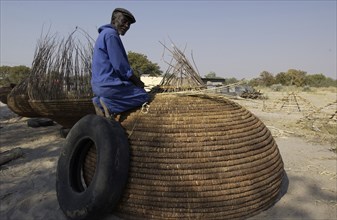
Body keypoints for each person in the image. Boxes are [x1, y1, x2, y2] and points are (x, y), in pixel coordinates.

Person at [91, 8, 149, 119]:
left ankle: (98, 101)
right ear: (114, 20)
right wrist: (137, 81)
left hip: (98, 85)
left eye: (129, 24)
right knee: (143, 95)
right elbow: (120, 66)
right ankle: (108, 105)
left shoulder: (104, 34)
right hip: (109, 85)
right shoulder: (111, 35)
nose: (126, 25)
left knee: (133, 89)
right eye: (124, 21)